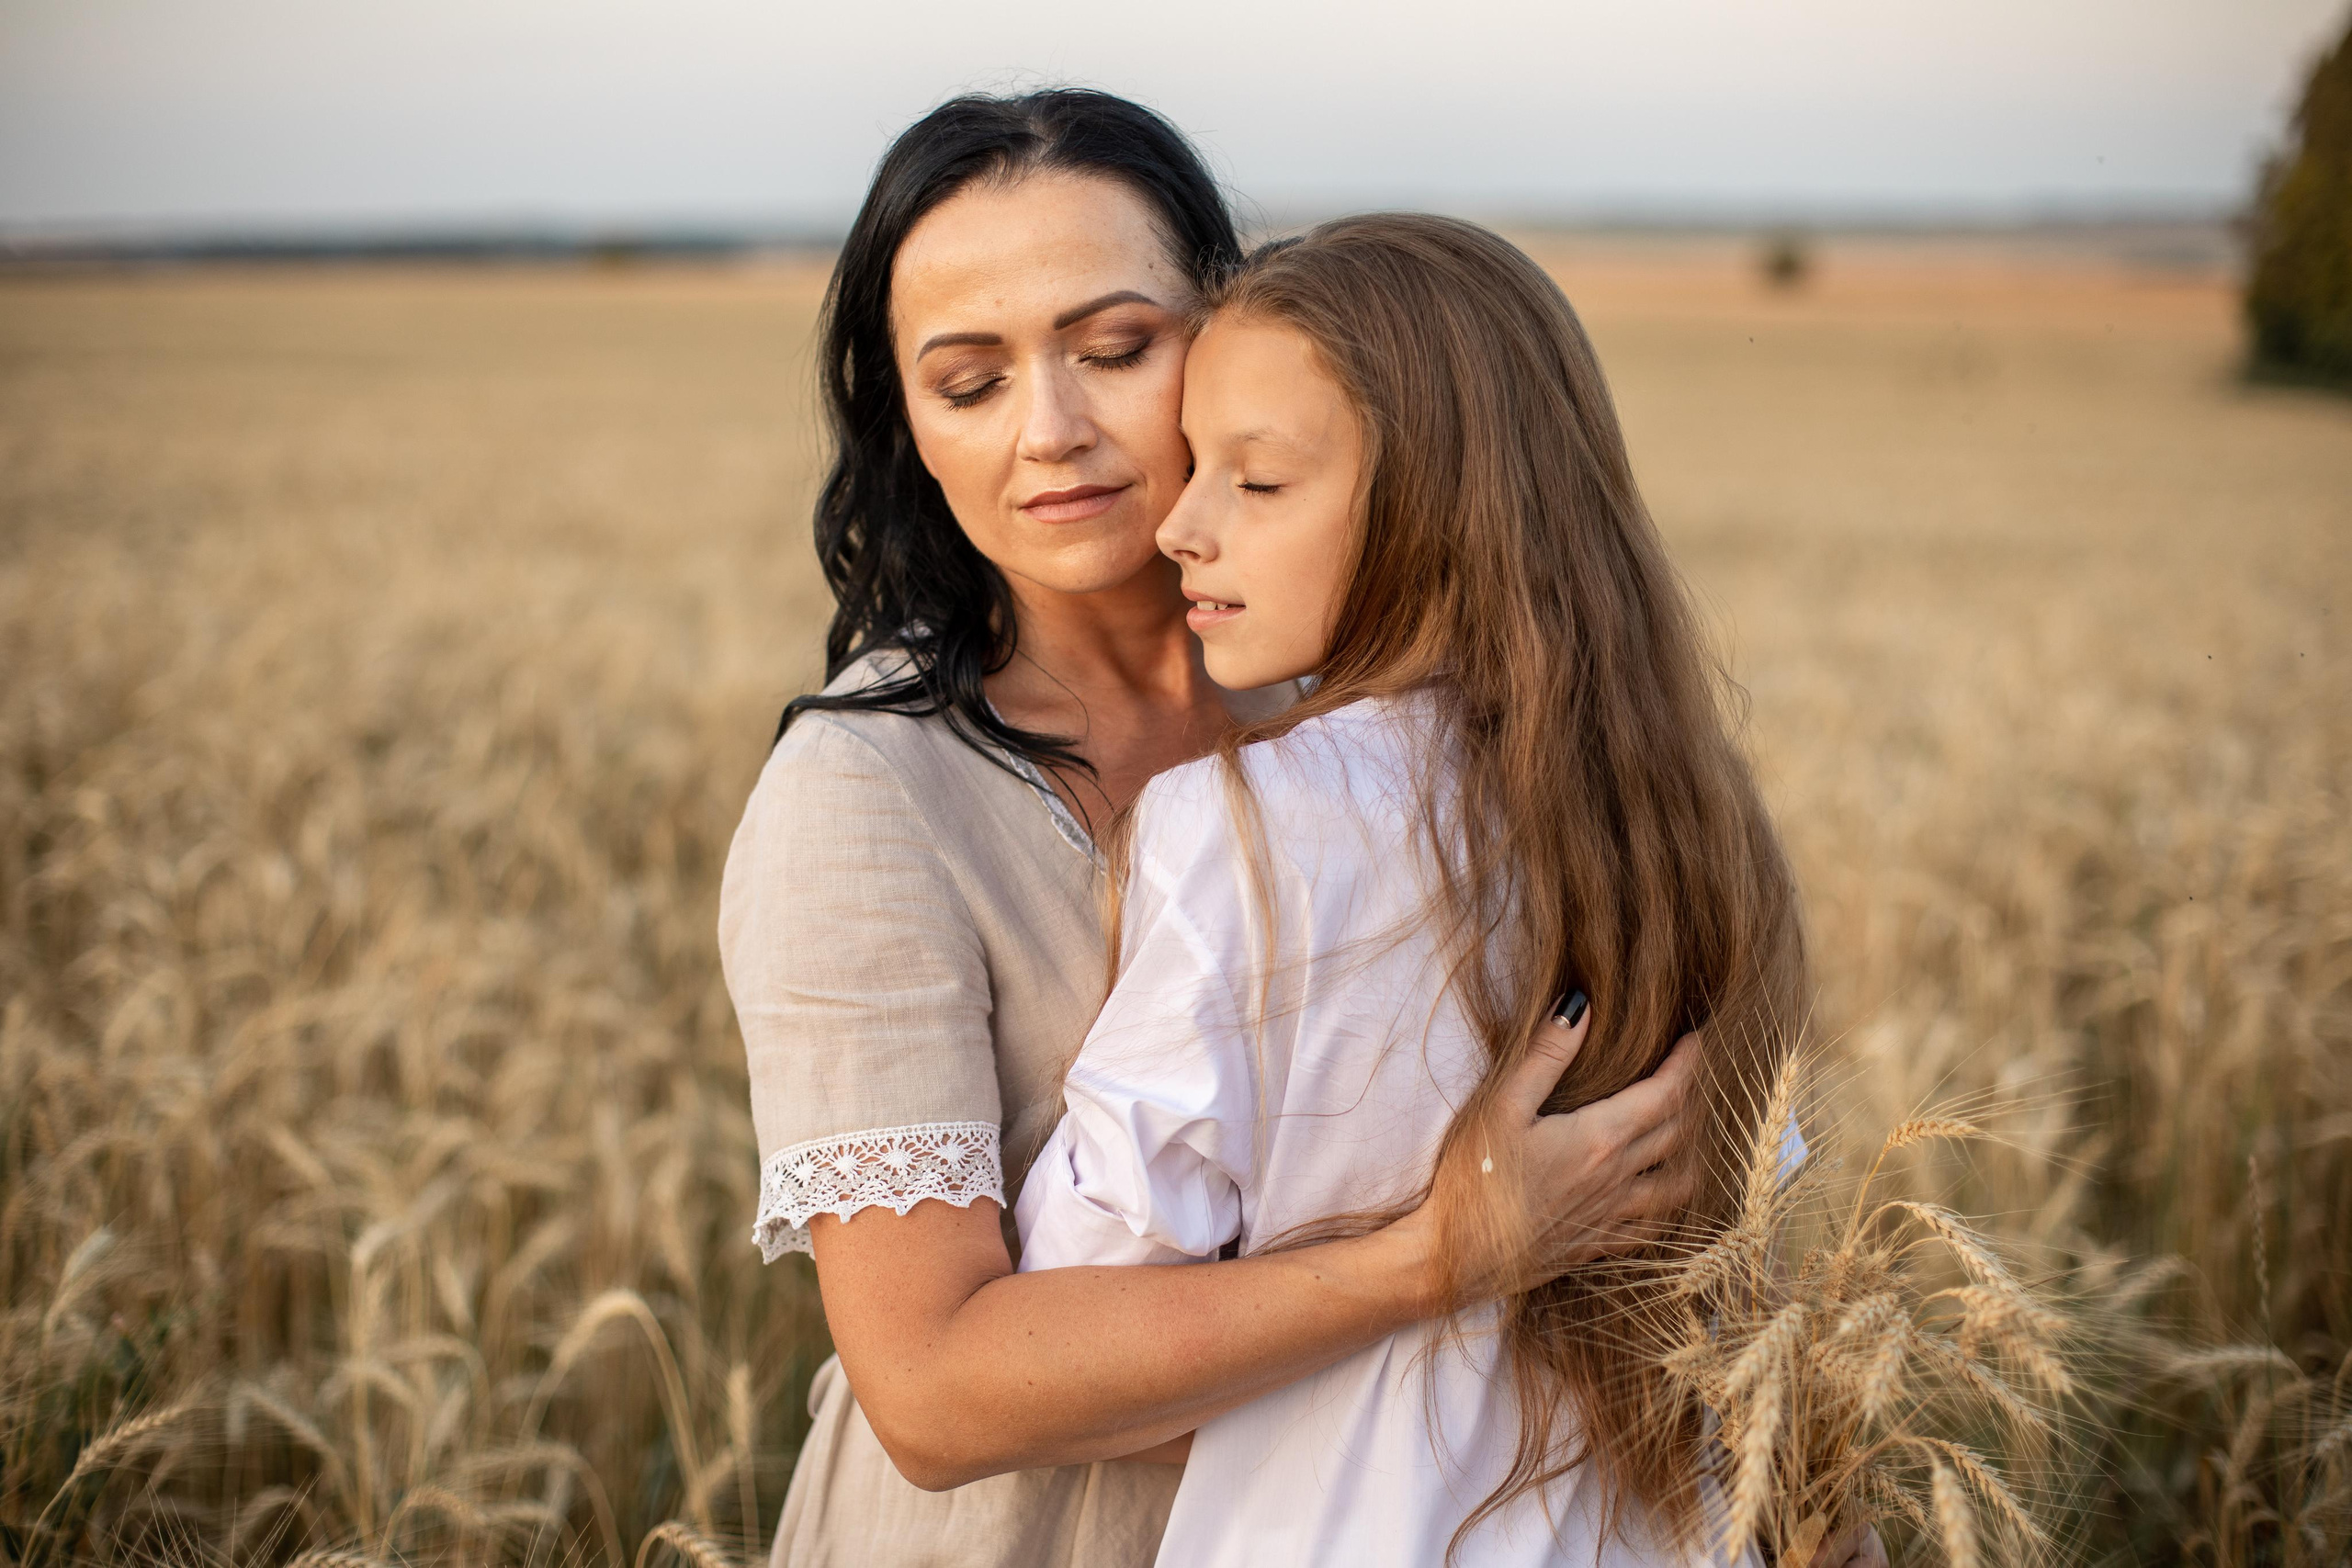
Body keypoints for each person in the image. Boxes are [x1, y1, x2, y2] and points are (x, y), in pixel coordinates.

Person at [718, 91, 1731, 1568]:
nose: (1053, 433)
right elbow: (931, 1392)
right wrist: (1442, 1261)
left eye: (1117, 349)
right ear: (908, 427)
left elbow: (1677, 1183)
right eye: (968, 381)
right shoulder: (869, 797)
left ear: (1234, 320)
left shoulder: (1398, 720)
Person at [1014, 214, 1885, 1565]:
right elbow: (1744, 1286)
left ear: (1435, 505)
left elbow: (1077, 1310)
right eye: (1194, 470)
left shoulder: (1242, 825)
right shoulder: (1688, 818)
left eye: (1257, 483)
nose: (1181, 526)